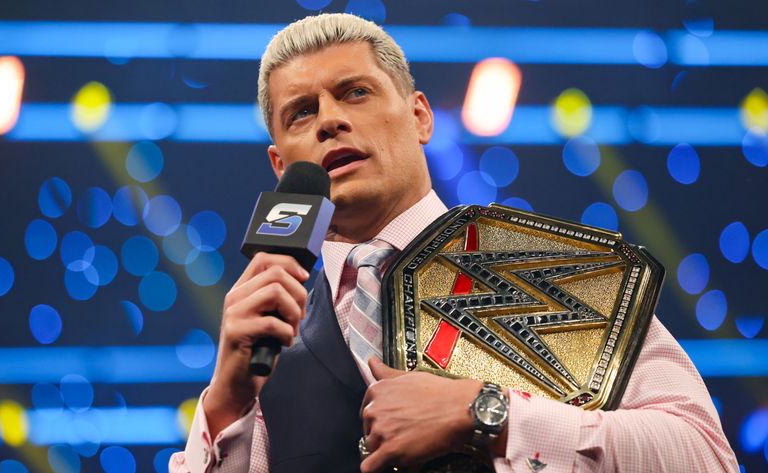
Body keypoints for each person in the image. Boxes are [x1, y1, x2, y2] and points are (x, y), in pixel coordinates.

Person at [170, 13, 738, 473]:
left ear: (419, 116)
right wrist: (224, 403)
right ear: (279, 164)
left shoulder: (549, 267)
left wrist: (488, 416)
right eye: (302, 112)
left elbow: (704, 456)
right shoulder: (269, 348)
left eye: (355, 93)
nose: (330, 121)